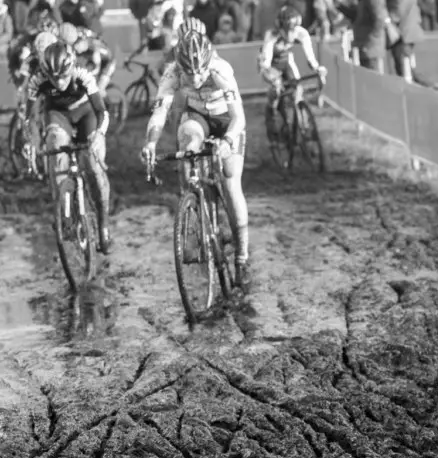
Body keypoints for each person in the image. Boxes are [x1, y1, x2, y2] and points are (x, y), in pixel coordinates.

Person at [139, 29, 251, 290]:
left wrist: (228, 142)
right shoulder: (173, 72)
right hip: (198, 117)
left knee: (231, 177)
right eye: (190, 73)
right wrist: (151, 142)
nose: (197, 77)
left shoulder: (221, 70)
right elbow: (160, 111)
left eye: (200, 71)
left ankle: (242, 258)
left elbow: (239, 118)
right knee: (189, 143)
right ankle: (194, 208)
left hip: (226, 121)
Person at [22, 40, 113, 253]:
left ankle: (103, 223)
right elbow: (30, 119)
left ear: (71, 68)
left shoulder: (83, 74)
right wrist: (31, 142)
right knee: (55, 145)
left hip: (86, 114)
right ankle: (64, 211)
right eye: (53, 78)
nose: (59, 82)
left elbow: (102, 111)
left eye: (63, 76)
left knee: (93, 166)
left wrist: (99, 135)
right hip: (58, 115)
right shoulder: (38, 80)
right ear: (46, 73)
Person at [257, 6, 326, 134]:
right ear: (280, 27)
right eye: (286, 30)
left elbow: (310, 56)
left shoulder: (301, 32)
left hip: (286, 60)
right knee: (276, 88)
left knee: (297, 87)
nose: (290, 34)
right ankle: (271, 113)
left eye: (292, 30)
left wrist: (317, 68)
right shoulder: (271, 34)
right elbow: (266, 60)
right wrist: (268, 73)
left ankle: (302, 122)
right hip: (270, 63)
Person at [59, 22, 115, 92]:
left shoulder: (83, 43)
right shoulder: (76, 32)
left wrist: (87, 45)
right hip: (93, 55)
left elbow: (95, 65)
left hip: (108, 62)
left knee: (97, 89)